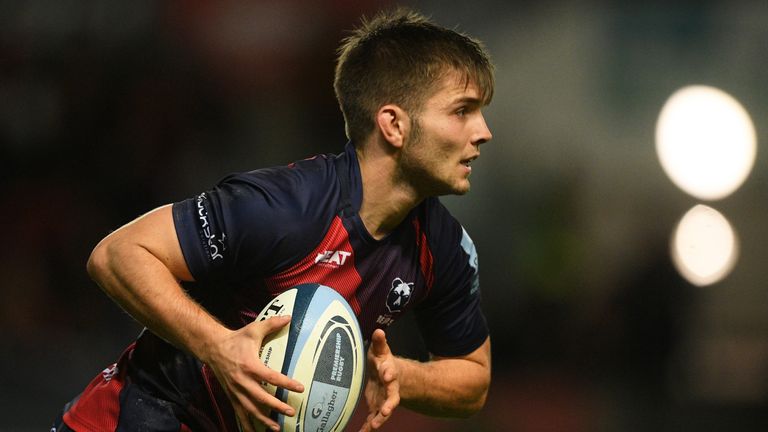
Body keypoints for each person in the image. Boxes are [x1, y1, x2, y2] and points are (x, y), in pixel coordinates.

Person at [53, 7, 494, 432]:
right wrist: (218, 347)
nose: (483, 132)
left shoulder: (444, 248)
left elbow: (472, 378)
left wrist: (398, 374)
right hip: (136, 417)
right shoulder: (285, 207)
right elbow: (116, 254)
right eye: (462, 111)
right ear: (393, 125)